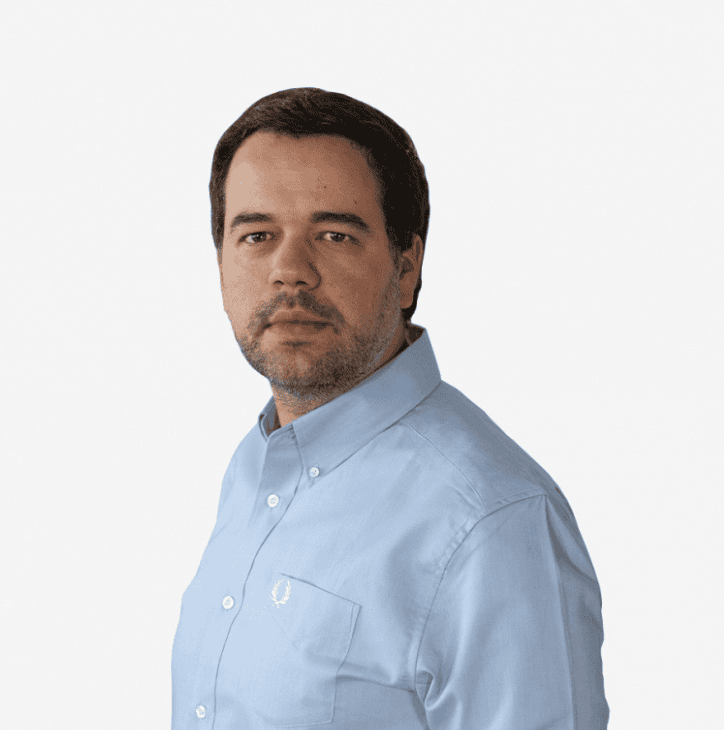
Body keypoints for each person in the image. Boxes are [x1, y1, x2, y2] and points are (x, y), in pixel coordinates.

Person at [171, 87, 609, 729]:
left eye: (335, 235)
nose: (290, 270)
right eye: (257, 235)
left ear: (406, 267)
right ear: (220, 264)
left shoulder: (491, 521)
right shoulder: (254, 467)